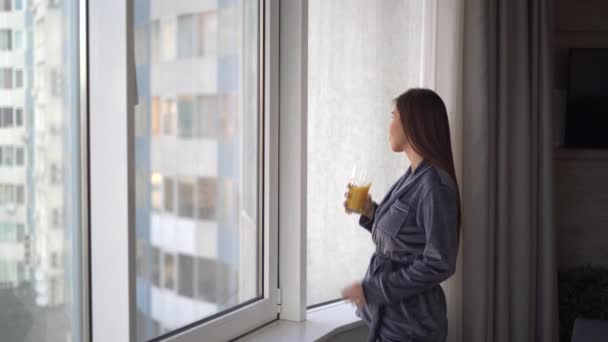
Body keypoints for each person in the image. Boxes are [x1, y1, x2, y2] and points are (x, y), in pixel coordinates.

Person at [341, 88, 461, 342]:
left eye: (393, 116)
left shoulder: (435, 186)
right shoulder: (413, 176)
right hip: (390, 319)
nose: (389, 126)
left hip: (412, 326)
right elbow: (404, 240)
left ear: (413, 123)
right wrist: (370, 211)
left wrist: (371, 289)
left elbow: (439, 262)